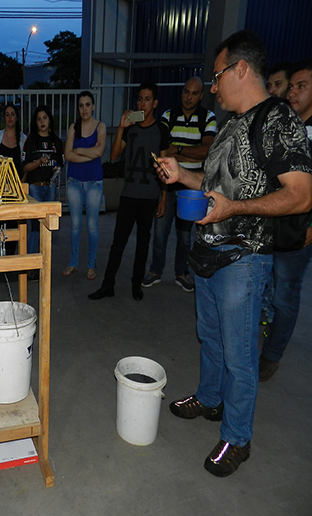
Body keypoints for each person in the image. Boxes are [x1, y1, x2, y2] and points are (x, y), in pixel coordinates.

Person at [155, 31, 312, 477]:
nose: (212, 84)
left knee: (239, 354)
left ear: (241, 69)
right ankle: (208, 398)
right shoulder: (229, 124)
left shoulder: (279, 119)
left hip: (244, 258)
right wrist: (180, 174)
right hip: (207, 253)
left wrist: (235, 208)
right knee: (211, 337)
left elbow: (301, 194)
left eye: (218, 74)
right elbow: (212, 184)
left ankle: (237, 438)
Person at [88, 82, 169, 301]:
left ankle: (136, 285)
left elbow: (165, 166)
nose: (142, 103)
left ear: (155, 103)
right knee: (118, 242)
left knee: (143, 243)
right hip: (129, 194)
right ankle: (108, 285)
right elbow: (113, 156)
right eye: (140, 99)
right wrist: (122, 127)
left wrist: (164, 197)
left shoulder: (161, 129)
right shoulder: (130, 128)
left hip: (150, 195)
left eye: (147, 99)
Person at [259, 58, 312, 381]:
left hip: (299, 229)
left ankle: (272, 355)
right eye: (291, 86)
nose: (292, 92)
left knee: (285, 293)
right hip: (271, 221)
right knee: (264, 287)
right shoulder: (286, 126)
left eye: (300, 86)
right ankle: (259, 337)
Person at [142, 77, 217, 292]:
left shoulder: (208, 118)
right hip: (167, 185)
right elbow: (162, 148)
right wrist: (187, 153)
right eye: (186, 92)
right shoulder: (168, 116)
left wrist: (180, 150)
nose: (188, 97)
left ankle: (181, 272)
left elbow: (207, 150)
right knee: (160, 233)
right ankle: (155, 270)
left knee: (185, 237)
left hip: (193, 187)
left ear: (201, 95)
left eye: (194, 93)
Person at [63, 91, 107, 279]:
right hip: (74, 182)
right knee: (74, 225)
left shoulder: (100, 126)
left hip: (94, 183)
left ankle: (91, 265)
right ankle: (73, 263)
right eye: (81, 105)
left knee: (92, 225)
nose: (84, 109)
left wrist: (79, 151)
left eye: (87, 104)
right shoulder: (74, 127)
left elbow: (99, 152)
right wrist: (89, 152)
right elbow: (67, 155)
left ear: (93, 106)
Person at [22, 105, 64, 258]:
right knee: (35, 228)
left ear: (50, 120)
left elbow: (60, 163)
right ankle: (31, 264)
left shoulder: (57, 142)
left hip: (50, 187)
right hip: (35, 188)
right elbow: (25, 166)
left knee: (48, 227)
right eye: (39, 119)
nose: (42, 121)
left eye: (45, 118)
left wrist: (56, 169)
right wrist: (39, 161)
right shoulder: (31, 140)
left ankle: (44, 264)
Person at [0, 102, 26, 256]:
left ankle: (11, 257)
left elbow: (25, 163)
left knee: (14, 225)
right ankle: (1, 258)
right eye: (7, 114)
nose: (10, 117)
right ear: (4, 118)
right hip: (0, 189)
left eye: (12, 114)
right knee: (0, 224)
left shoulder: (23, 139)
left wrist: (22, 182)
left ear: (16, 117)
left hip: (16, 190)